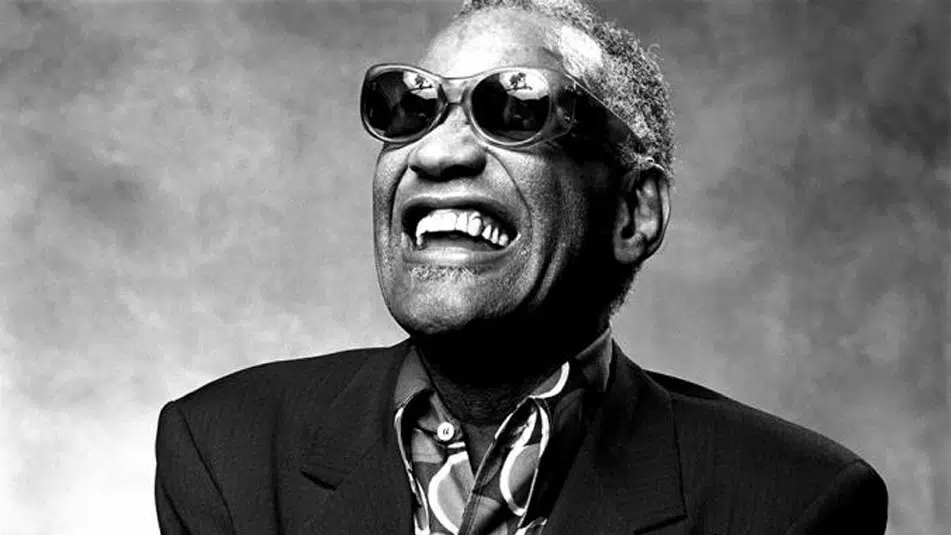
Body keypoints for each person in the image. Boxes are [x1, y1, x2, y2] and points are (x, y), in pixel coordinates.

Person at [154, 1, 888, 533]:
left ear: (633, 213)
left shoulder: (794, 503)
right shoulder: (225, 451)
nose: (436, 152)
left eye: (514, 109)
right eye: (408, 109)